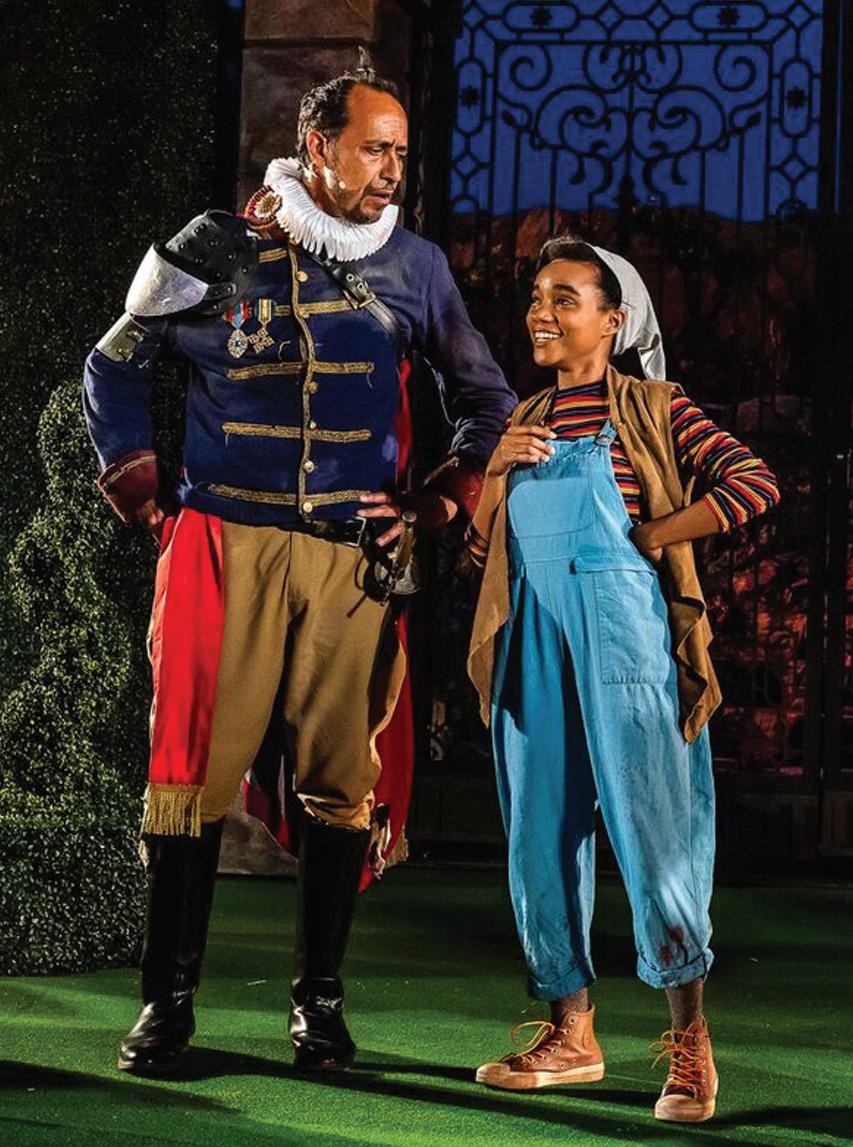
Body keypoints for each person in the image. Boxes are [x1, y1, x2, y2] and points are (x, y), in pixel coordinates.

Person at [83, 63, 515, 1076]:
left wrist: (436, 501)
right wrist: (142, 486)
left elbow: (484, 400)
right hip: (225, 544)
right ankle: (166, 1004)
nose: (391, 169)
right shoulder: (211, 244)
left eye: (400, 152)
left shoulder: (415, 267)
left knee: (339, 779)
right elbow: (114, 364)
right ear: (317, 147)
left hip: (351, 560)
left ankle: (318, 1004)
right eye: (373, 148)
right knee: (190, 776)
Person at [466, 234, 779, 1123]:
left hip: (623, 632)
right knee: (538, 828)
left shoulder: (653, 405)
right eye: (536, 296)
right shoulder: (525, 414)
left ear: (614, 320)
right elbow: (482, 551)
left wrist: (657, 534)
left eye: (564, 298)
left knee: (653, 824)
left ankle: (689, 1042)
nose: (541, 312)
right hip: (534, 631)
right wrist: (495, 470)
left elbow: (753, 482)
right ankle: (570, 1032)